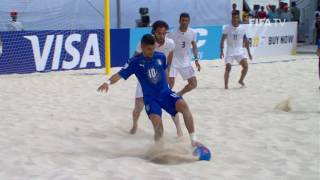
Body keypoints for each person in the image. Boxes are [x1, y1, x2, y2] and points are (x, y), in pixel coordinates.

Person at [97, 34, 202, 147]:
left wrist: (169, 82)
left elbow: (164, 70)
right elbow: (119, 74)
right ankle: (158, 149)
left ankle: (194, 141)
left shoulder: (160, 56)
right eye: (148, 49)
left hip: (166, 94)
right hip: (151, 99)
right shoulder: (134, 62)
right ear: (142, 47)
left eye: (153, 49)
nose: (151, 52)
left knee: (184, 106)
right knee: (158, 126)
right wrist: (107, 83)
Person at [130, 20, 183, 137]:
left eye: (164, 33)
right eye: (159, 33)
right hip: (146, 78)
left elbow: (170, 57)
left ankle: (179, 129)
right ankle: (134, 125)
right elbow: (134, 58)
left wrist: (168, 74)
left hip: (161, 78)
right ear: (154, 32)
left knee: (171, 103)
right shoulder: (146, 42)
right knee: (138, 106)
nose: (162, 36)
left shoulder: (170, 43)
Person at [167, 13, 201, 96]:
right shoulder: (172, 33)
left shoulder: (192, 32)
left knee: (193, 84)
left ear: (189, 21)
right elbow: (166, 47)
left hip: (185, 61)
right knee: (169, 85)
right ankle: (163, 99)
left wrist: (196, 59)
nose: (184, 22)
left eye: (186, 20)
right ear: (179, 21)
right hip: (173, 61)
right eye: (183, 20)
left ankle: (178, 95)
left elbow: (194, 46)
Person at [220, 12, 252, 90]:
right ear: (232, 18)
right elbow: (222, 40)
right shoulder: (227, 28)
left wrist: (249, 53)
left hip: (239, 51)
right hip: (230, 51)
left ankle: (241, 80)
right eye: (234, 18)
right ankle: (226, 87)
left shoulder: (242, 28)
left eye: (237, 18)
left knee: (246, 67)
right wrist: (221, 51)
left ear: (239, 19)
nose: (235, 19)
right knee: (228, 68)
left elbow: (246, 41)